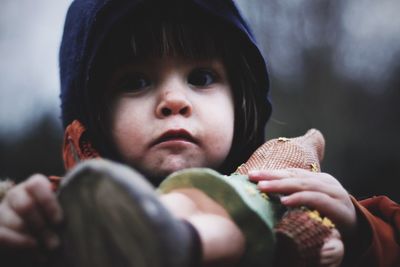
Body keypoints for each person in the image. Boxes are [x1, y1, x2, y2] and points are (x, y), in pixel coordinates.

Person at [0, 0, 398, 266]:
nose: (174, 99)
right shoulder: (64, 214)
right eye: (136, 82)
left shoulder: (283, 193)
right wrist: (19, 227)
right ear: (89, 126)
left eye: (201, 77)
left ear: (241, 103)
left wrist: (359, 230)